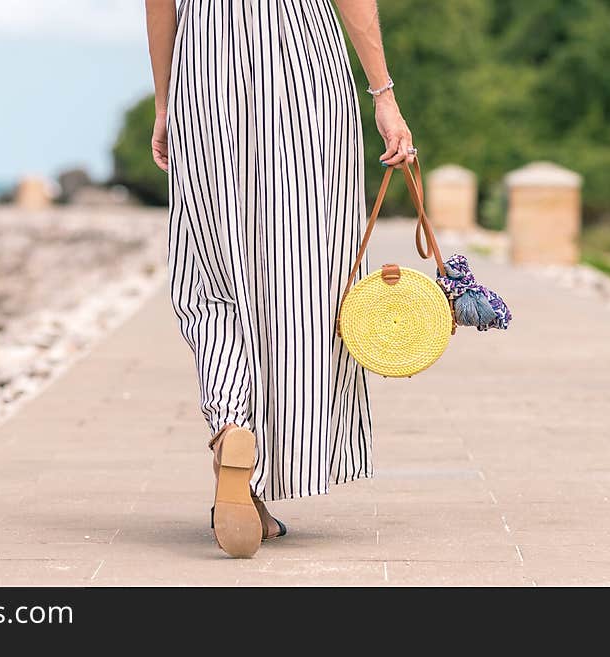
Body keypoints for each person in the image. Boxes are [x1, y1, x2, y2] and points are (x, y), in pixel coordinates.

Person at [145, 0, 417, 558]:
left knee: (214, 269)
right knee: (305, 276)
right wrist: (383, 96)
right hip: (304, 65)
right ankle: (269, 465)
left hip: (206, 68)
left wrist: (165, 101)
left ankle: (231, 427)